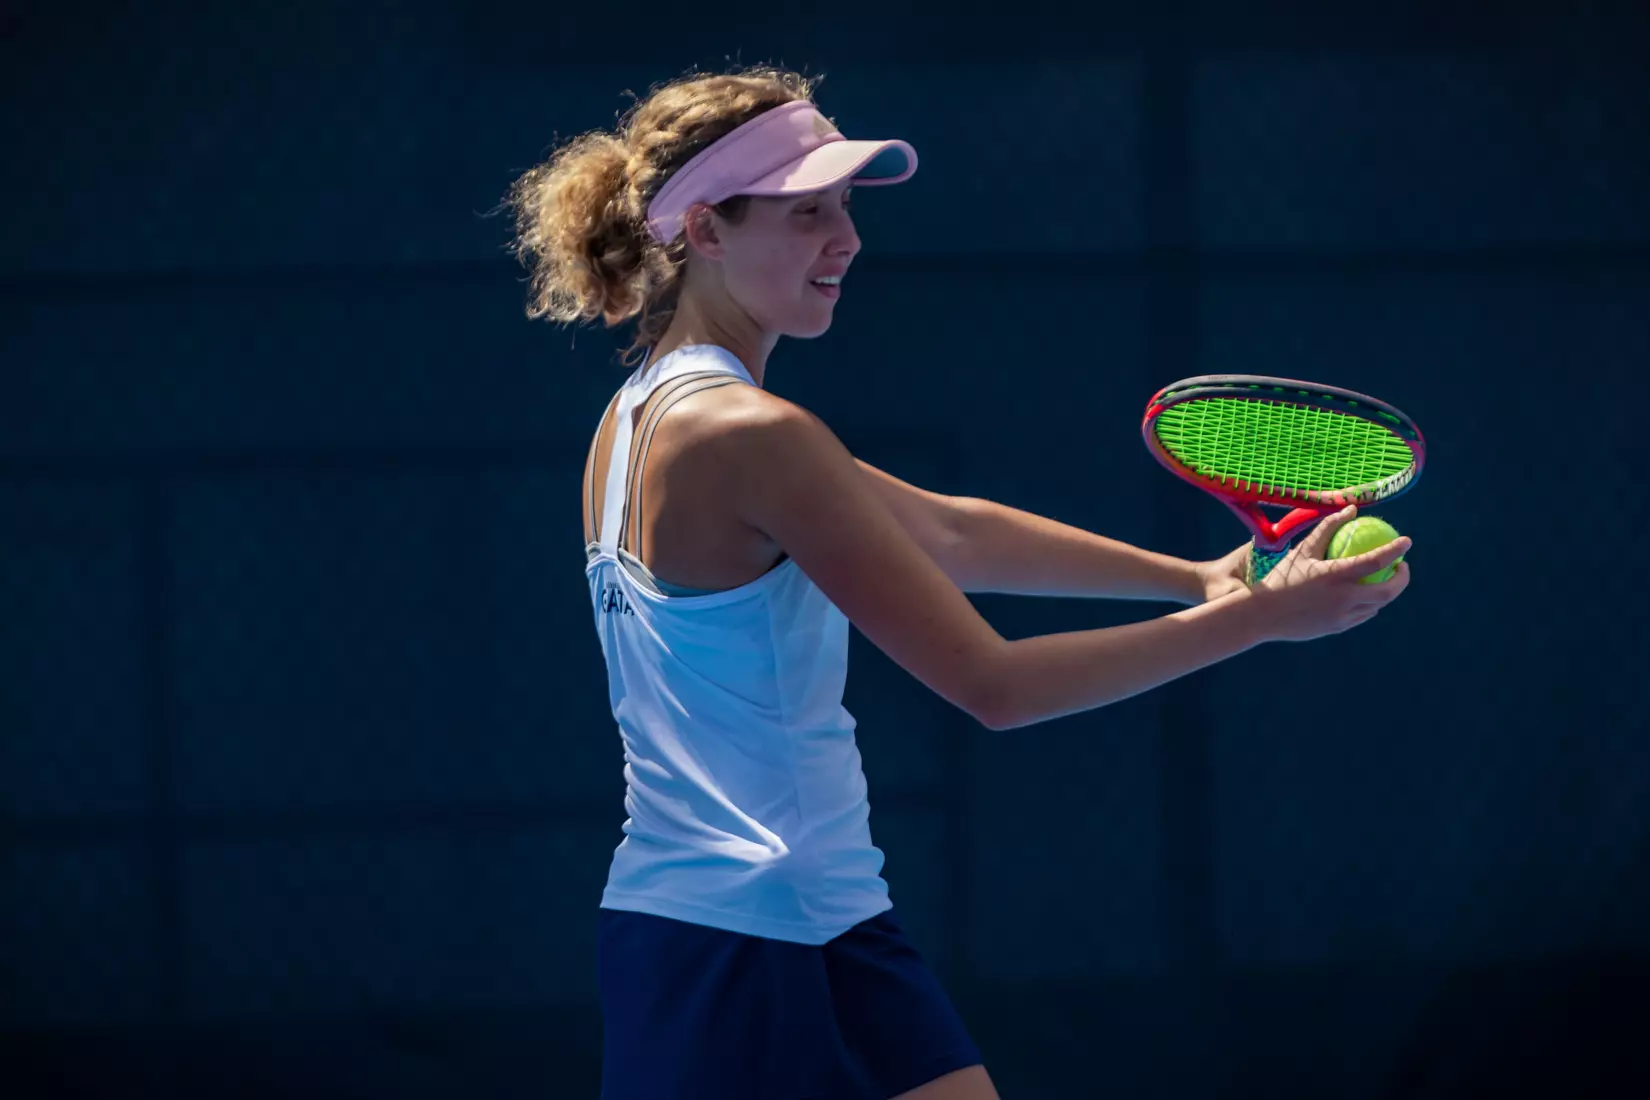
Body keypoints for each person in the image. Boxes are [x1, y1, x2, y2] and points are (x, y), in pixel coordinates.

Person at [503, 65, 1411, 1100]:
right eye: (807, 214)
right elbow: (997, 684)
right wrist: (1261, 621)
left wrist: (1202, 579)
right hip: (744, 942)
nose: (845, 239)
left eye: (843, 207)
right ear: (706, 230)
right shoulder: (749, 433)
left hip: (796, 916)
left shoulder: (641, 415)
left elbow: (946, 530)